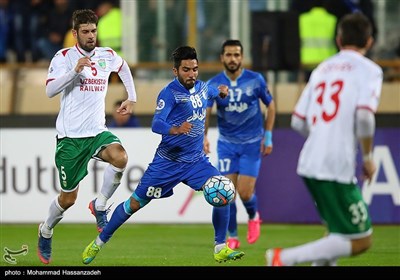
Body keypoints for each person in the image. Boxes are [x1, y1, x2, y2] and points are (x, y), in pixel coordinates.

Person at [81, 46, 245, 265]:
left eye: (195, 69)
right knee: (134, 204)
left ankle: (220, 247)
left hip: (196, 162)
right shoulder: (169, 94)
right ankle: (99, 242)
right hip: (168, 163)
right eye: (186, 70)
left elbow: (214, 90)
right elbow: (156, 123)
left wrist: (222, 90)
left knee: (224, 191)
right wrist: (174, 129)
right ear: (175, 71)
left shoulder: (203, 88)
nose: (192, 74)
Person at [266, 12, 382, 266]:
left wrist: (321, 136)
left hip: (309, 161)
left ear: (338, 40)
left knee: (336, 235)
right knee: (362, 239)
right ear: (369, 42)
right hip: (334, 165)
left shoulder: (322, 69)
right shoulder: (370, 71)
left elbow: (298, 120)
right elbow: (364, 116)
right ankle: (282, 259)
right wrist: (369, 158)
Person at [37, 9, 137, 265]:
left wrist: (131, 97)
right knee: (67, 199)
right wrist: (73, 71)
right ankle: (46, 229)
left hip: (97, 132)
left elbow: (123, 66)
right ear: (75, 33)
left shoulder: (106, 56)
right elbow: (49, 90)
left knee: (120, 157)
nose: (91, 36)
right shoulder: (64, 57)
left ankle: (100, 205)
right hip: (71, 138)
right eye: (86, 31)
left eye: (94, 31)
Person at [204, 39, 276, 250]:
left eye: (236, 55)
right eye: (228, 55)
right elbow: (206, 112)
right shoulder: (214, 84)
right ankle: (233, 235)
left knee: (245, 193)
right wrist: (204, 137)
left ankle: (254, 215)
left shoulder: (256, 80)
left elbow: (270, 106)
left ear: (242, 57)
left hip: (252, 143)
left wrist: (268, 136)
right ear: (222, 58)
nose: (232, 59)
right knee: (228, 193)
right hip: (227, 144)